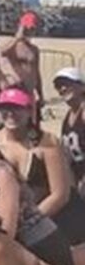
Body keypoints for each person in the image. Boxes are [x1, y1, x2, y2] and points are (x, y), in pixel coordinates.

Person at [0, 85, 85, 265]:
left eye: (17, 107)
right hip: (8, 223)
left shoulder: (47, 143)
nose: (11, 113)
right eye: (5, 107)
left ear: (30, 111)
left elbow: (60, 195)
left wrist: (28, 222)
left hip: (55, 221)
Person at [0, 13, 43, 103]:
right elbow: (2, 52)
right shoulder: (11, 45)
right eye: (26, 28)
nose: (29, 31)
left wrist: (40, 94)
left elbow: (36, 72)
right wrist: (17, 37)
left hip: (29, 92)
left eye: (32, 29)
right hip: (13, 90)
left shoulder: (34, 49)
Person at [56, 67, 85, 195]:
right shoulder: (68, 116)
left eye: (67, 84)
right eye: (58, 86)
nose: (62, 88)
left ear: (81, 86)